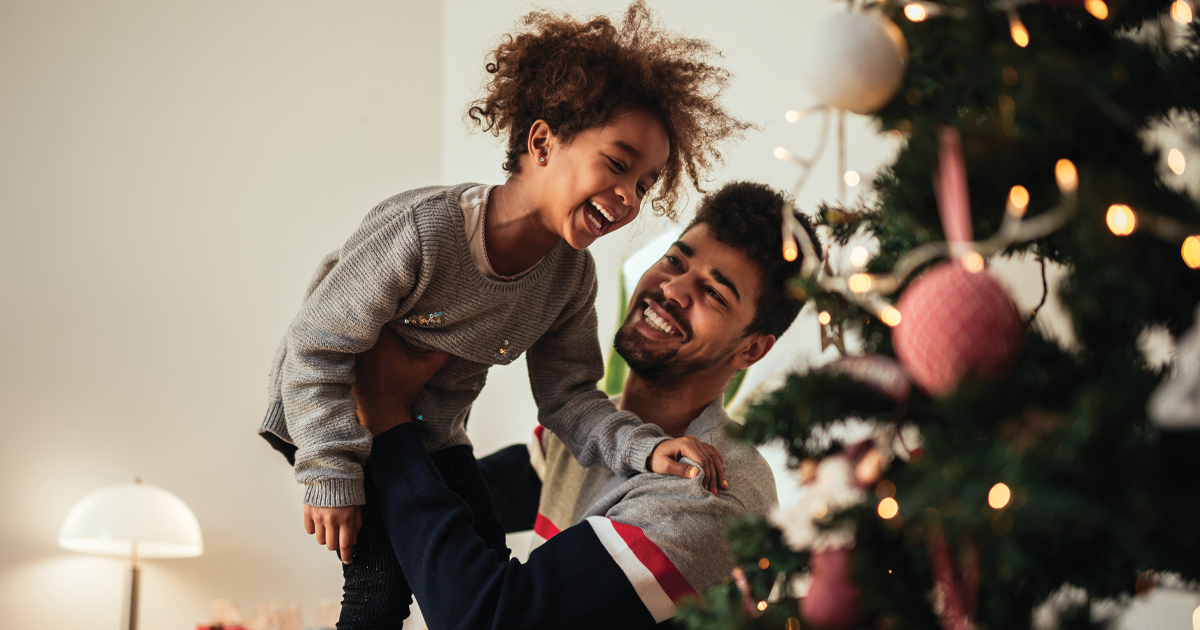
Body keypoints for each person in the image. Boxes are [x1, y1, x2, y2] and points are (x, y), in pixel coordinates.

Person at [258, 3, 748, 627]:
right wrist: (330, 472)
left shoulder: (571, 277)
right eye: (618, 165)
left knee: (482, 570)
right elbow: (315, 348)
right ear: (543, 142)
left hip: (428, 431)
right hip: (331, 410)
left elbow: (570, 398)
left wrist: (647, 452)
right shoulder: (426, 233)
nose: (629, 197)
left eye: (646, 184)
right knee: (378, 595)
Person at [354, 182, 819, 629]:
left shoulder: (709, 491)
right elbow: (433, 502)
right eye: (676, 260)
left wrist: (387, 412)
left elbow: (488, 619)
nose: (674, 290)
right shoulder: (593, 431)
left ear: (752, 349)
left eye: (714, 294)